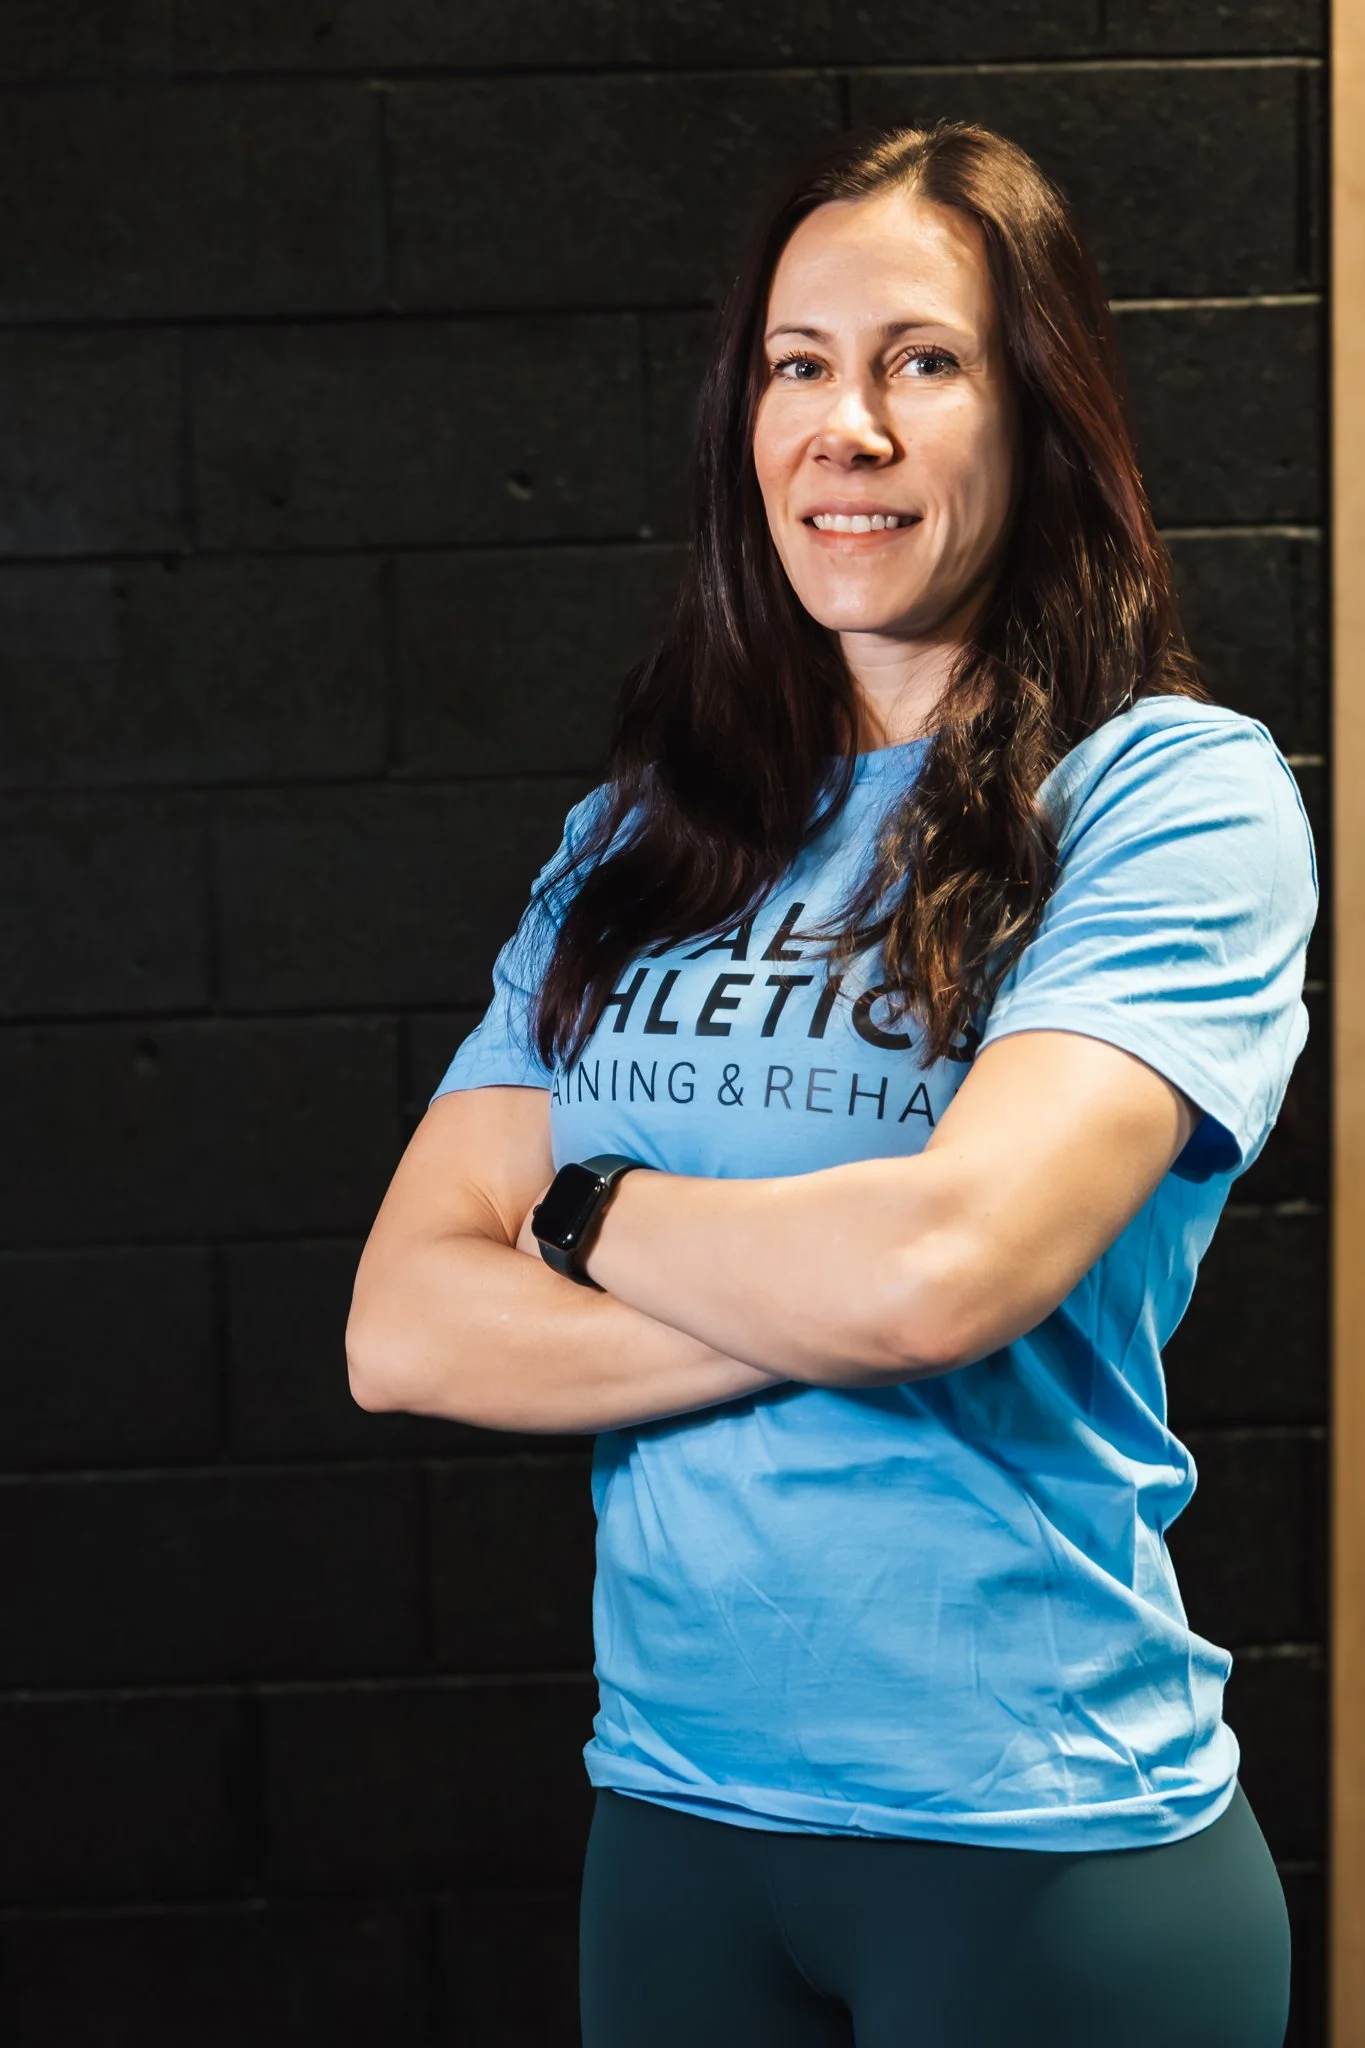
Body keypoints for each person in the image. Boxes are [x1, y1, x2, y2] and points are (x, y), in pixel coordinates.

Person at [346, 121, 1317, 2047]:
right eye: (799, 365)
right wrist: (831, 1294)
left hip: (1040, 1864)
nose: (843, 427)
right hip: (679, 1836)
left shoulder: (1167, 798)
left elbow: (942, 1275)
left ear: (1041, 418)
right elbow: (401, 1326)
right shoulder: (644, 837)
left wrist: (589, 1216)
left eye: (921, 363)